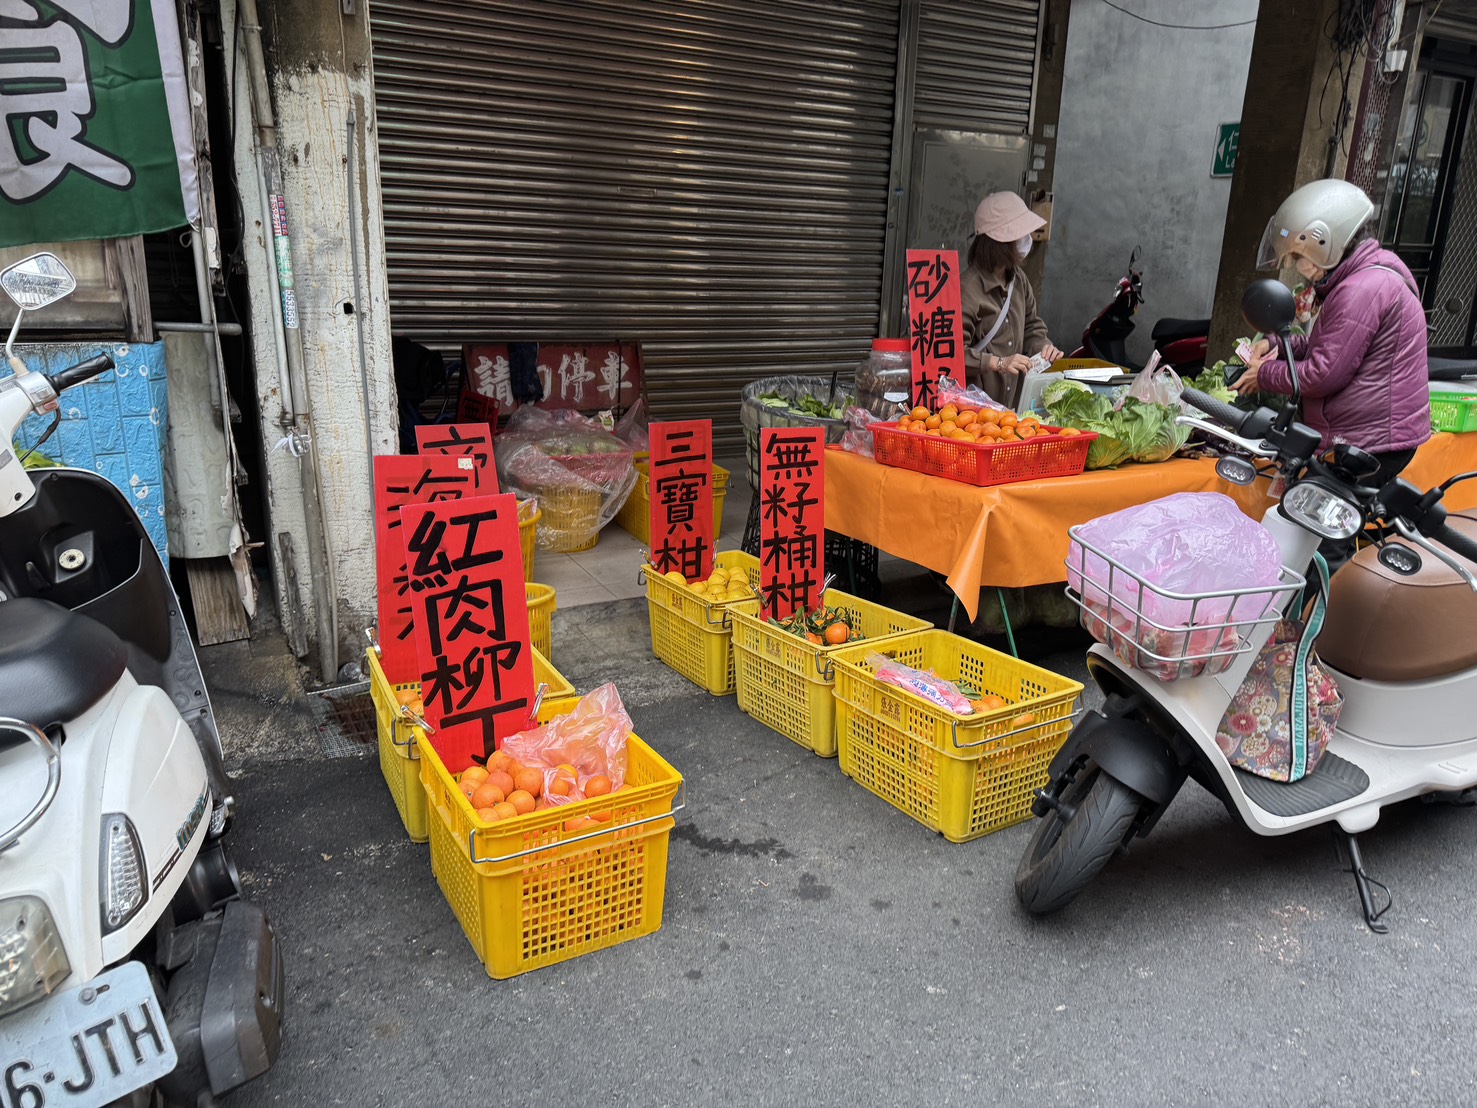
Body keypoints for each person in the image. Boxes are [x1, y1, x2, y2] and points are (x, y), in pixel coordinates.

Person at [1238, 178, 1431, 576]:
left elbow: (1324, 373)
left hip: (1372, 440)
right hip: (1367, 434)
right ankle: (1303, 623)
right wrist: (1279, 346)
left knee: (1325, 536)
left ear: (1325, 242)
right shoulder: (1359, 280)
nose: (1296, 267)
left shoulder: (1364, 287)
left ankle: (1317, 628)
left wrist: (1265, 375)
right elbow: (1328, 347)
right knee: (1318, 529)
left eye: (1297, 256)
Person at [961, 191, 1065, 407]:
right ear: (999, 243)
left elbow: (1032, 326)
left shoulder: (1018, 280)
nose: (1026, 241)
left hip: (1011, 408)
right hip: (972, 413)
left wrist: (1043, 347)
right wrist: (997, 363)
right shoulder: (967, 289)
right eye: (1019, 235)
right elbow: (951, 354)